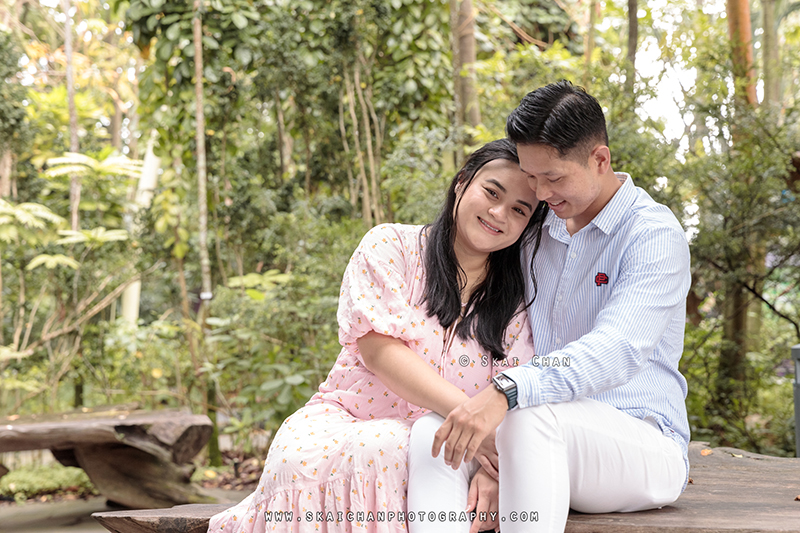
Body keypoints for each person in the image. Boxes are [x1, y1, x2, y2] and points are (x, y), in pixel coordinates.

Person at [206, 139, 549, 533]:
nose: (498, 213)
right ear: (461, 183)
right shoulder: (391, 246)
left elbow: (516, 390)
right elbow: (378, 350)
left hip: (451, 446)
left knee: (408, 448)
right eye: (492, 192)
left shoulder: (519, 301)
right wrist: (474, 422)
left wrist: (495, 471)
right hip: (348, 420)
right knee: (336, 452)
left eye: (519, 210)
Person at [410, 80, 691, 533]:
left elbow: (616, 349)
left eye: (553, 177)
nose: (539, 193)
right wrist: (498, 461)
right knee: (434, 432)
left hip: (641, 446)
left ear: (600, 160)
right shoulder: (539, 233)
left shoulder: (652, 235)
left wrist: (506, 393)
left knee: (530, 419)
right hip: (538, 436)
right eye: (532, 176)